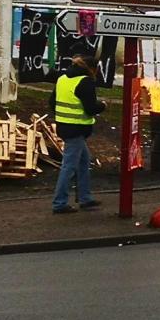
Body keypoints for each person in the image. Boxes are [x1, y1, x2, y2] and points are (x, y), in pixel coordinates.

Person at [49, 56, 106, 214]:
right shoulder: (86, 82)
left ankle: (85, 197)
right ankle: (59, 203)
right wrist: (102, 105)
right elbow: (90, 108)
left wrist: (63, 116)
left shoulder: (62, 79)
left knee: (83, 161)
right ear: (92, 68)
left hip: (64, 126)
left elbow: (52, 102)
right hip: (77, 129)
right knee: (69, 166)